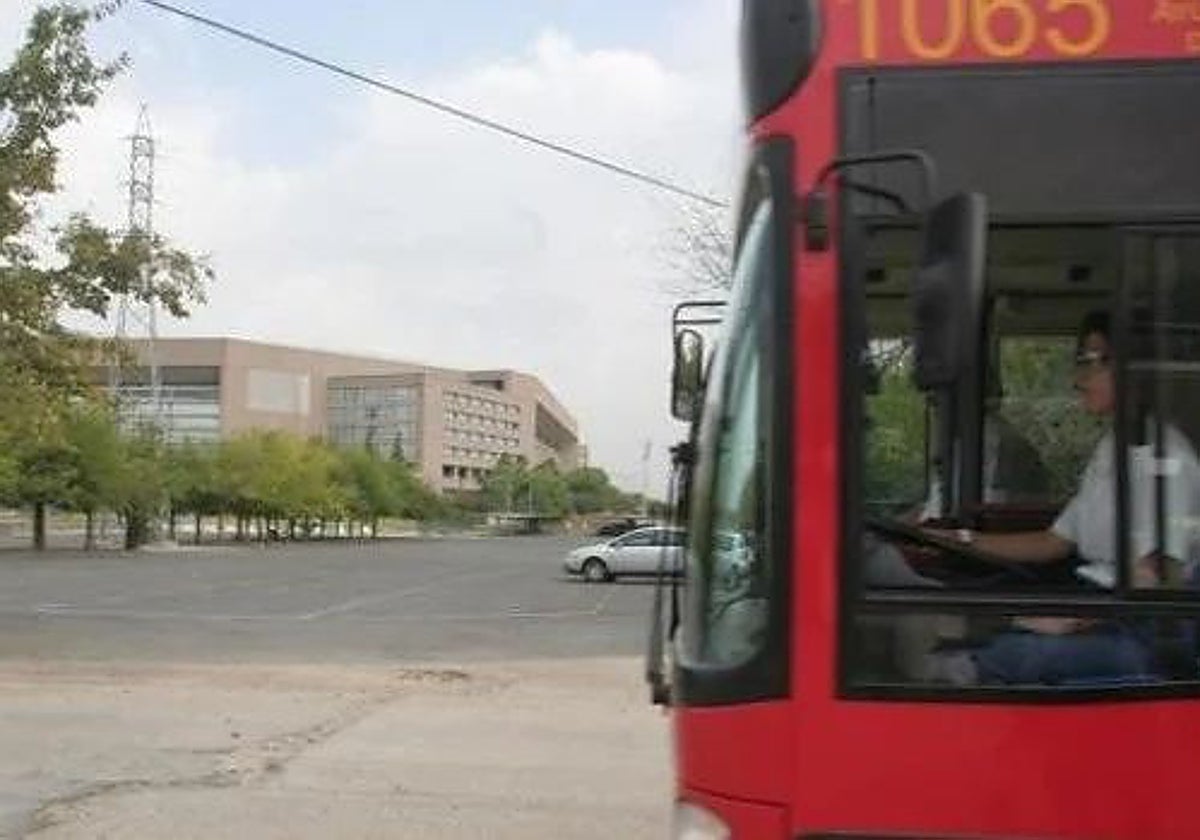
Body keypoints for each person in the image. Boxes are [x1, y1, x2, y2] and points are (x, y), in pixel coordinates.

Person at [927, 309, 1200, 685]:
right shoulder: (1114, 446)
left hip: (1135, 627)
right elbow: (1055, 542)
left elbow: (1158, 576)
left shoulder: (1169, 460)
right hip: (1092, 598)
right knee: (977, 606)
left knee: (1018, 654)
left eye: (1092, 362)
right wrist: (960, 540)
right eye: (1080, 363)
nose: (1078, 379)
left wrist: (1070, 617)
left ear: (1136, 370)